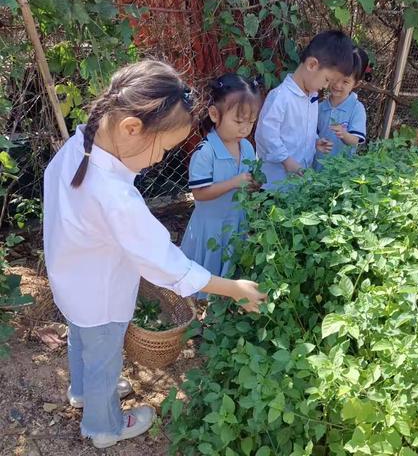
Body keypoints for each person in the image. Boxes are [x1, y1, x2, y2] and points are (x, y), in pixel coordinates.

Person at [43, 61, 266, 449]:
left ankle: (82, 392)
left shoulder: (80, 142)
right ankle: (104, 426)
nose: (161, 159)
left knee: (81, 341)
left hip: (72, 282)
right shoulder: (114, 196)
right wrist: (233, 288)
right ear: (132, 128)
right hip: (100, 297)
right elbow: (167, 263)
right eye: (163, 148)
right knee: (105, 357)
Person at [181, 73, 262, 299]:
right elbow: (199, 193)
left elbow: (247, 180)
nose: (245, 128)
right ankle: (200, 314)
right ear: (215, 114)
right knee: (204, 276)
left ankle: (225, 306)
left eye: (251, 122)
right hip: (210, 228)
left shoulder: (246, 147)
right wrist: (234, 183)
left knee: (231, 268)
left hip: (237, 222)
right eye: (238, 121)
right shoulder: (205, 152)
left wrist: (251, 185)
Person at [254, 30, 354, 189]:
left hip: (298, 182)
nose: (326, 87)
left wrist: (315, 141)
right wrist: (287, 161)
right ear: (312, 65)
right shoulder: (281, 97)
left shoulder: (311, 97)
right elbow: (266, 135)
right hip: (275, 184)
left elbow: (302, 129)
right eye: (327, 80)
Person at [315, 46, 370, 167]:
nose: (337, 85)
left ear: (356, 83)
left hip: (340, 173)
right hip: (316, 170)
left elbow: (355, 141)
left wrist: (344, 134)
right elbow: (313, 136)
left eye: (345, 82)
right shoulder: (320, 106)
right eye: (336, 78)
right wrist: (317, 142)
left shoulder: (357, 109)